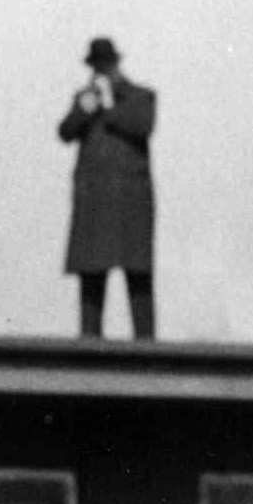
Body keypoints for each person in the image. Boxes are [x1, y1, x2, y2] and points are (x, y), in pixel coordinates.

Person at [61, 36, 157, 339]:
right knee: (91, 275)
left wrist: (110, 103)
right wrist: (86, 108)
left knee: (138, 276)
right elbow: (65, 131)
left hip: (131, 202)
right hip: (95, 200)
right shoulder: (86, 99)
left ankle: (146, 347)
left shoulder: (141, 97)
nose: (100, 72)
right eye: (97, 67)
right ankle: (90, 345)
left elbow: (142, 126)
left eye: (105, 66)